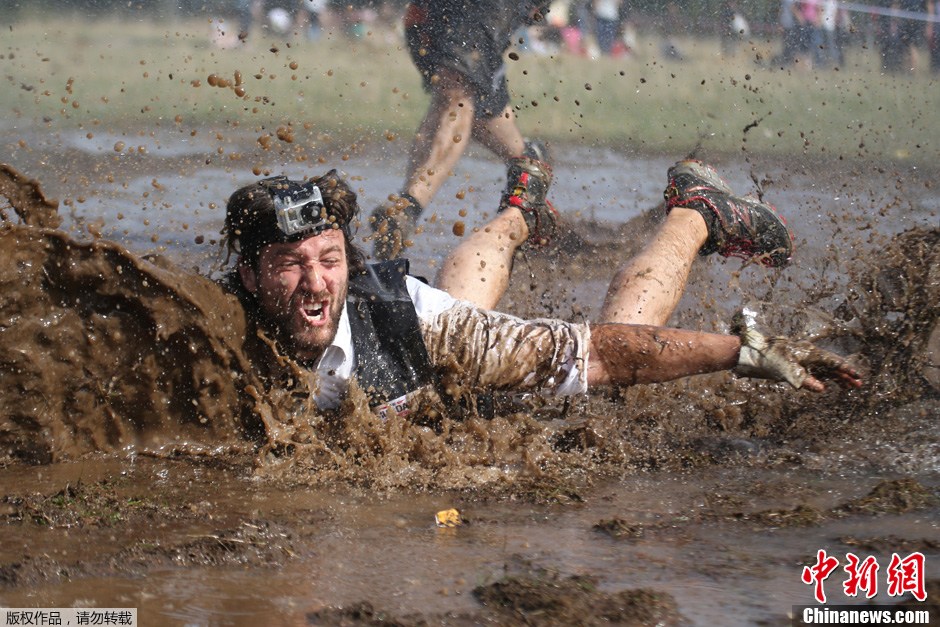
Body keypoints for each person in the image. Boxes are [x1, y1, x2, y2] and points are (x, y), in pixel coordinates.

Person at [222, 158, 862, 420]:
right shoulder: (215, 325)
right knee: (464, 313)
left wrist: (742, 352)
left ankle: (696, 212)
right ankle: (525, 207)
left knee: (602, 387)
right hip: (429, 364)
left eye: (329, 260)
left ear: (347, 260)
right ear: (249, 275)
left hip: (451, 378)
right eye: (288, 263)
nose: (314, 283)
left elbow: (600, 353)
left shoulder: (412, 319)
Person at [369, 0, 554, 260]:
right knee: (469, 107)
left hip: (483, 8)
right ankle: (532, 171)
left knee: (456, 94)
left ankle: (407, 209)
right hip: (433, 12)